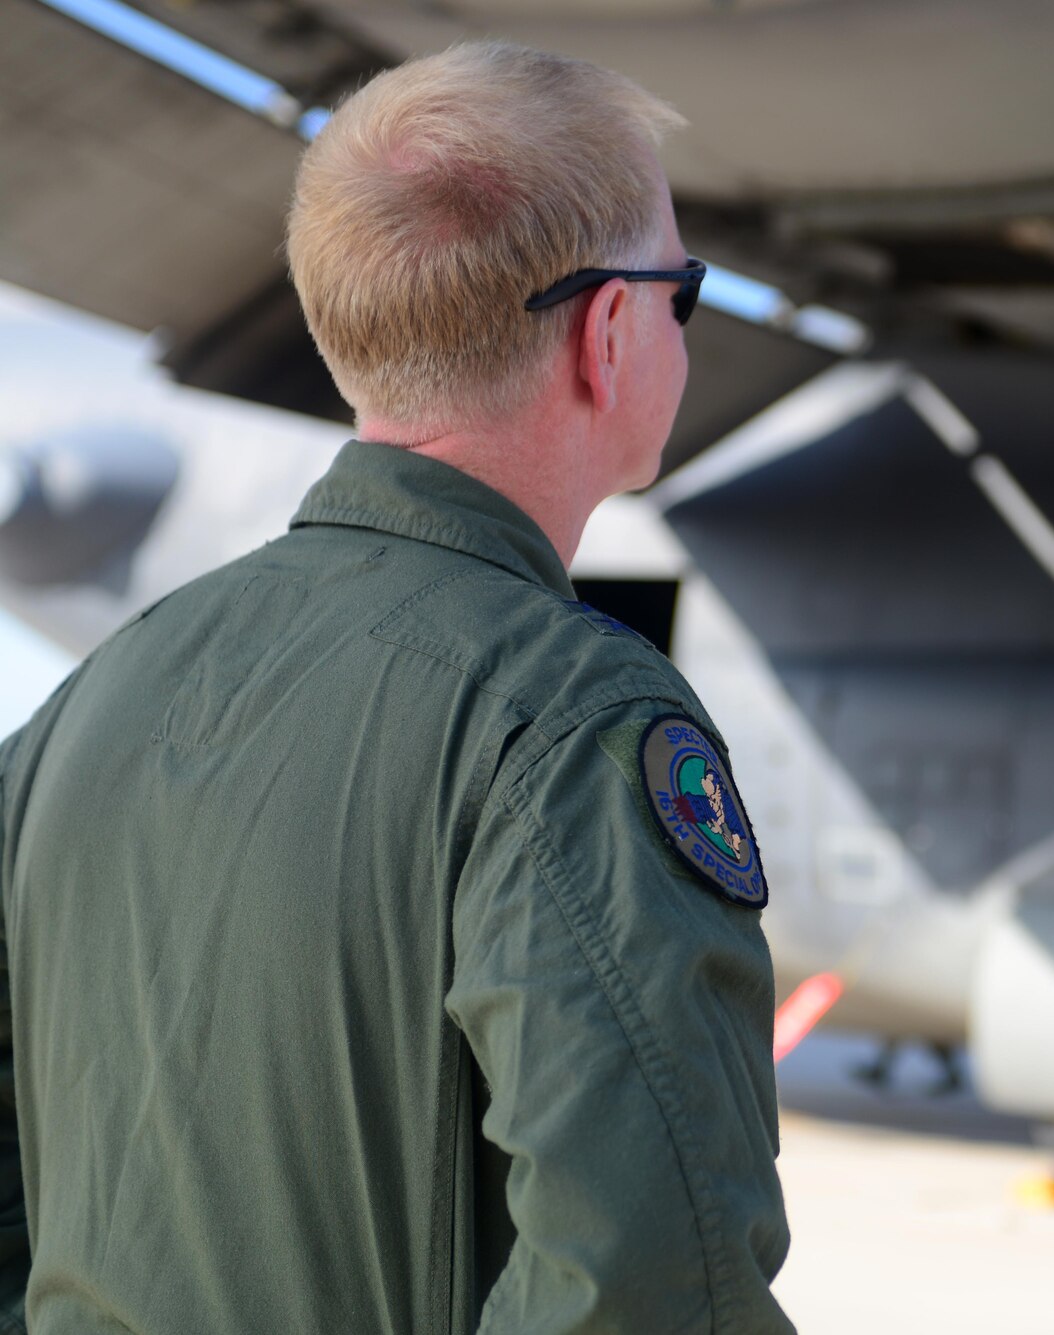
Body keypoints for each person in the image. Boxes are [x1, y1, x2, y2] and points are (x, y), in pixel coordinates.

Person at [0, 41, 792, 1333]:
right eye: (682, 290)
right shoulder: (571, 727)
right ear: (607, 334)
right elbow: (650, 1286)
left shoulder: (87, 707)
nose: (680, 321)